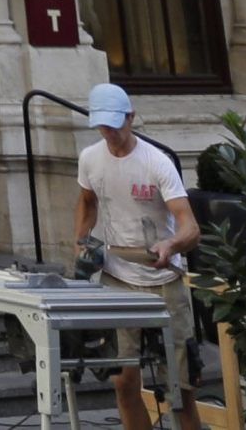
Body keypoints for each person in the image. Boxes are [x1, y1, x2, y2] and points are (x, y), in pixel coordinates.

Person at [72, 82, 200, 430]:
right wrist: (81, 240)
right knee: (123, 382)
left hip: (163, 282)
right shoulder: (90, 158)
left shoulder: (157, 162)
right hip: (118, 280)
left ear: (131, 117)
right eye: (103, 126)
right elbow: (87, 202)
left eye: (116, 124)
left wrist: (170, 246)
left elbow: (191, 227)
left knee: (180, 387)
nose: (110, 133)